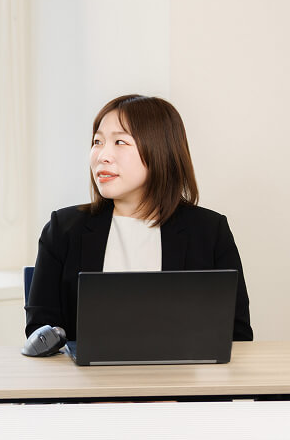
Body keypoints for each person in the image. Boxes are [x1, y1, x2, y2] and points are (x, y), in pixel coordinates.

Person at [25, 94, 253, 341]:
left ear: (159, 151)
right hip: (88, 379)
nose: (102, 155)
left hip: (181, 378)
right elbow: (40, 333)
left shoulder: (209, 232)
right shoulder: (63, 229)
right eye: (97, 142)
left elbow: (236, 335)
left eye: (120, 142)